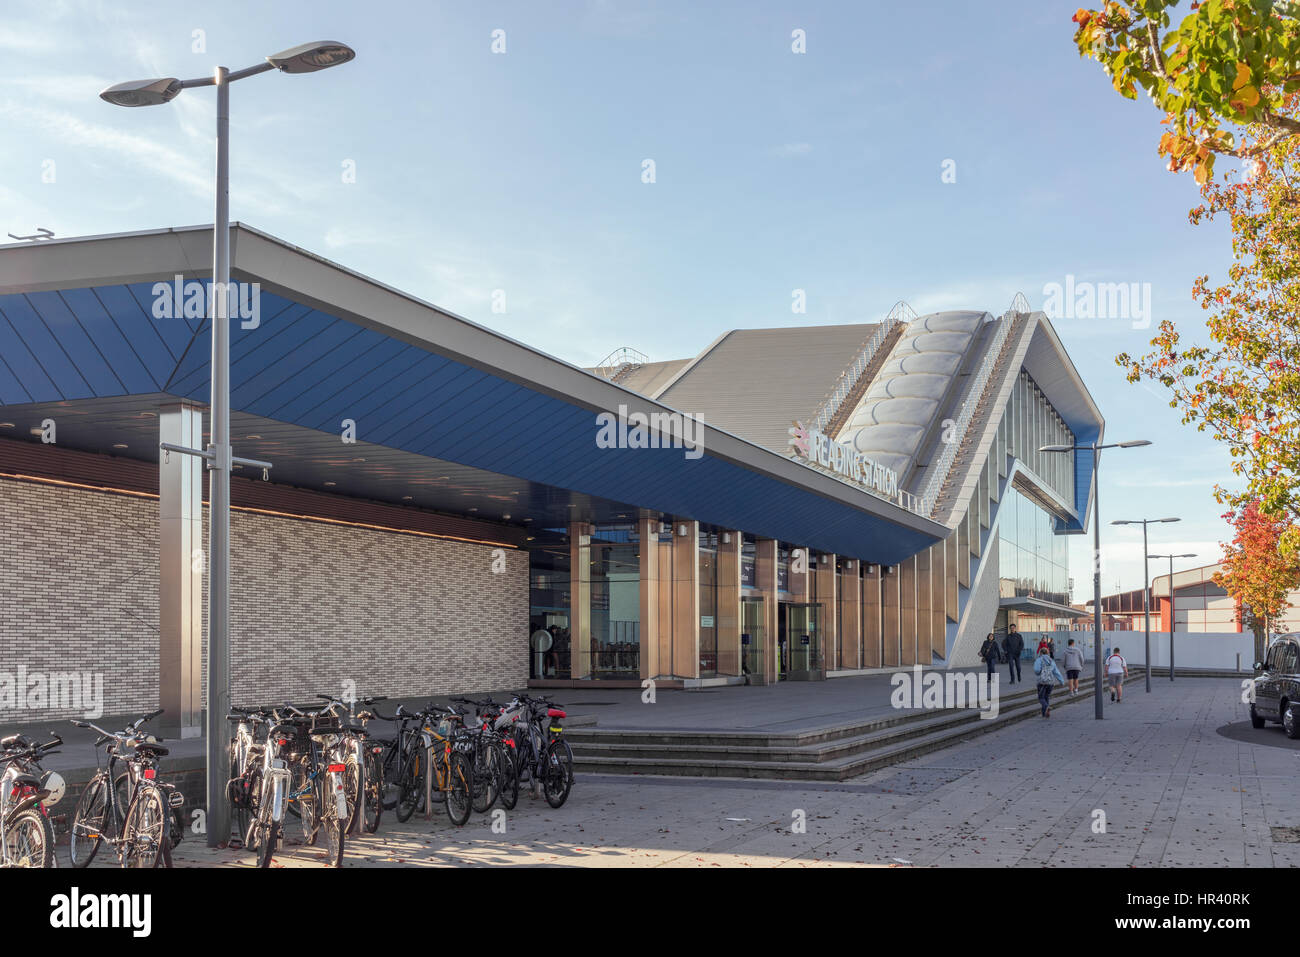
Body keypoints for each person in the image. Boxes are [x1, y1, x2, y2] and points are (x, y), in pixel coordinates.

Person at [1034, 644, 1064, 717]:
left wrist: (1040, 672)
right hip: (1050, 682)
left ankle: (1046, 707)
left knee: (1041, 698)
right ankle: (1044, 713)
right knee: (1046, 697)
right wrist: (1061, 681)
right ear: (1048, 653)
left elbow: (1036, 670)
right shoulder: (1052, 661)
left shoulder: (1039, 660)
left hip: (1042, 682)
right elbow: (1056, 672)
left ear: (1040, 653)